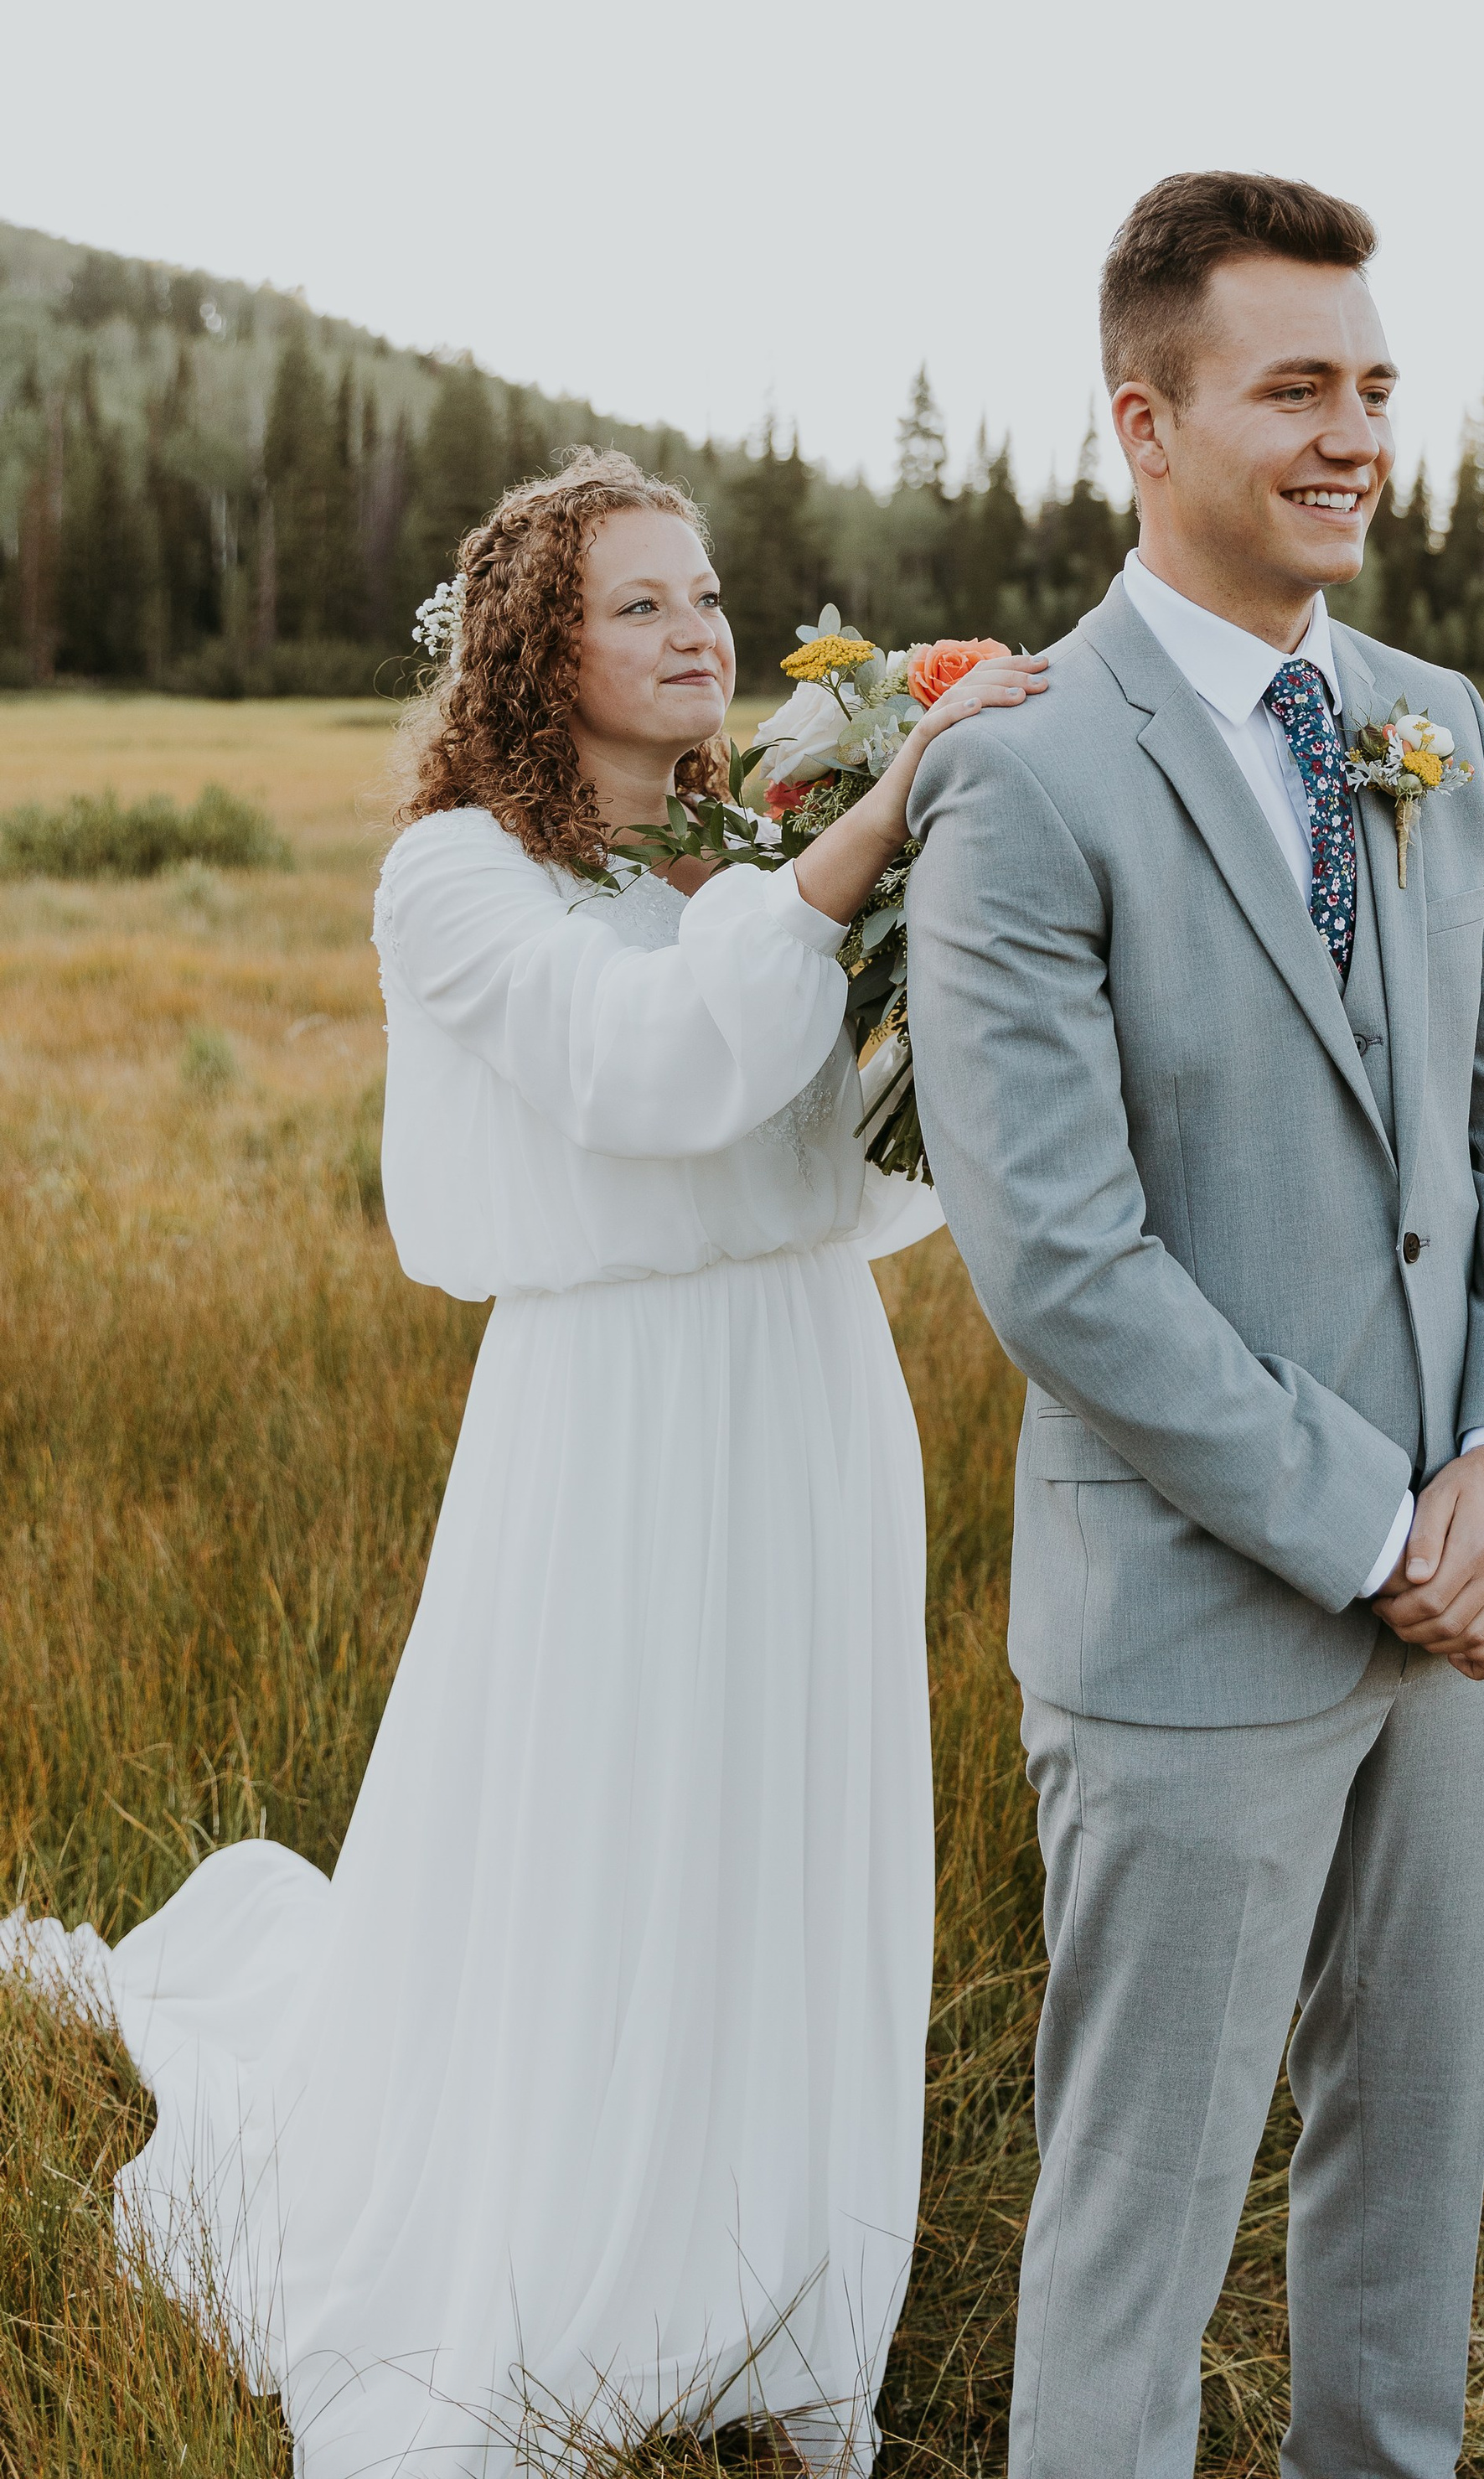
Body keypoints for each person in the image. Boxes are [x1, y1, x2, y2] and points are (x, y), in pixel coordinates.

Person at [2, 448, 1045, 2478]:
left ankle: (773, 2297)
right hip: (615, 1415)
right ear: (532, 648)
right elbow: (641, 1074)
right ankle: (571, 2279)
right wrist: (872, 836)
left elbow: (862, 1142)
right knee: (614, 1817)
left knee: (787, 1824)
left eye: (709, 593)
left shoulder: (755, 840)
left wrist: (924, 872)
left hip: (809, 1388)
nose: (701, 631)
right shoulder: (459, 874)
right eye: (640, 601)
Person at [903, 174, 1484, 2479]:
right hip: (1202, 1621)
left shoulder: (1433, 726)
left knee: (1413, 2188)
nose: (1354, 436)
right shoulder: (1024, 773)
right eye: (1296, 387)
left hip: (1467, 1615)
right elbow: (1063, 1262)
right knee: (1142, 2222)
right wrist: (1372, 1518)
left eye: (1375, 388)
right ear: (1147, 416)